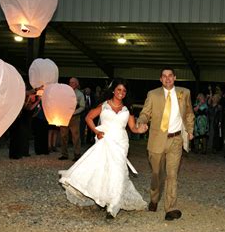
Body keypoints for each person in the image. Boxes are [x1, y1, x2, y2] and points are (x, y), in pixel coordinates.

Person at [59, 78, 148, 219]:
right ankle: (105, 198)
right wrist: (96, 132)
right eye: (119, 89)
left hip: (121, 143)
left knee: (118, 172)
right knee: (104, 170)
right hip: (105, 141)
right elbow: (88, 117)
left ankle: (113, 206)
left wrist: (140, 129)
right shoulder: (104, 105)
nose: (121, 93)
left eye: (124, 91)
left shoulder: (127, 108)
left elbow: (133, 128)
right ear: (113, 90)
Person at [137, 67, 195, 221]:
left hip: (176, 140)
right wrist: (141, 122)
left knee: (172, 175)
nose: (167, 79)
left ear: (175, 78)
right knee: (157, 174)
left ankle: (171, 208)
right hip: (157, 140)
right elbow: (145, 113)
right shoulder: (153, 94)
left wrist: (190, 130)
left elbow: (189, 113)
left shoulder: (184, 93)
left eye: (170, 76)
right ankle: (154, 198)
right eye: (164, 76)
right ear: (160, 79)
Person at [59, 77, 85, 161]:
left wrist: (74, 112)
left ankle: (77, 154)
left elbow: (82, 106)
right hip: (64, 117)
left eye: (73, 82)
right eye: (70, 82)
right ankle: (64, 154)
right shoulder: (64, 93)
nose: (71, 84)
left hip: (74, 118)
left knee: (76, 136)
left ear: (77, 84)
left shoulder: (80, 94)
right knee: (63, 136)